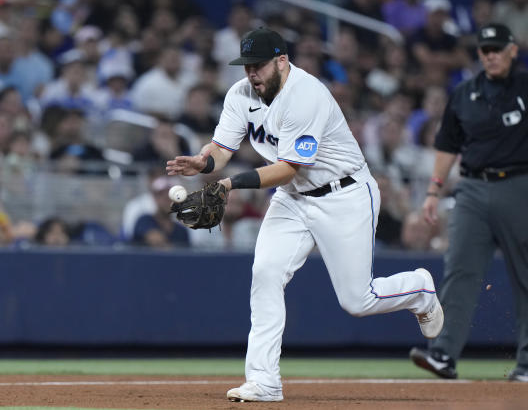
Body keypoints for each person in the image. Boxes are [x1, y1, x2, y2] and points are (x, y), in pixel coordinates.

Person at [166, 28, 444, 402]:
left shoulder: (306, 94)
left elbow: (287, 168)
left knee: (357, 300)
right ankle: (264, 381)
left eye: (259, 65)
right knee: (265, 273)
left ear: (282, 60)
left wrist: (229, 185)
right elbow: (221, 147)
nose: (251, 73)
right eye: (247, 65)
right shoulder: (240, 94)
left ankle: (420, 289)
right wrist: (204, 162)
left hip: (344, 195)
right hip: (293, 200)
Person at [409, 23, 528, 383]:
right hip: (472, 188)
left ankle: (526, 363)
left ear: (512, 51)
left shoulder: (525, 86)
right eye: (485, 49)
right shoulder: (464, 93)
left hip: (520, 185)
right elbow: (448, 146)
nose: (490, 55)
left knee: (525, 276)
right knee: (459, 270)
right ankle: (443, 354)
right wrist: (433, 192)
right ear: (479, 54)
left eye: (496, 48)